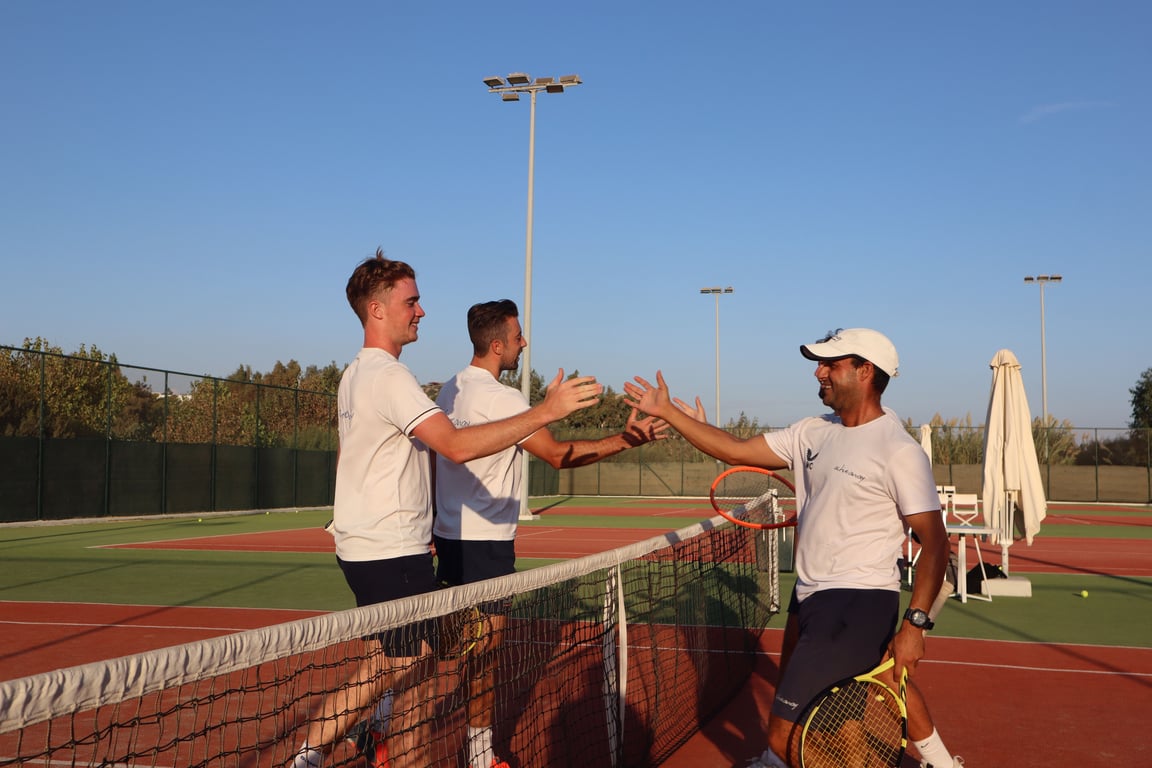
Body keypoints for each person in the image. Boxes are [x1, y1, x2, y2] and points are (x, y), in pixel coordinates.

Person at [288, 251, 603, 768]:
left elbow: (356, 453)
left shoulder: (355, 376)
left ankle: (379, 739)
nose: (422, 311)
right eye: (411, 302)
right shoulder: (389, 378)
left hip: (383, 544)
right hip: (388, 550)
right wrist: (544, 411)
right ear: (377, 310)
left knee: (409, 674)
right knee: (404, 662)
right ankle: (308, 755)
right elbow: (453, 446)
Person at [623, 328, 953, 768]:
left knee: (786, 738)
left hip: (857, 599)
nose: (819, 373)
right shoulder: (812, 431)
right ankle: (941, 764)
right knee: (840, 723)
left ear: (865, 371)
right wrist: (669, 413)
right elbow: (735, 449)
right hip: (810, 594)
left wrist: (915, 626)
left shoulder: (898, 450)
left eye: (830, 365)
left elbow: (935, 544)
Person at [432, 299, 670, 768]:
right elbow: (559, 455)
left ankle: (378, 717)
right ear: (497, 345)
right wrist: (626, 440)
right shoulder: (507, 401)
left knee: (438, 648)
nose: (525, 343)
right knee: (483, 657)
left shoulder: (448, 390)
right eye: (518, 336)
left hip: (447, 538)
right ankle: (478, 755)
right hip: (485, 548)